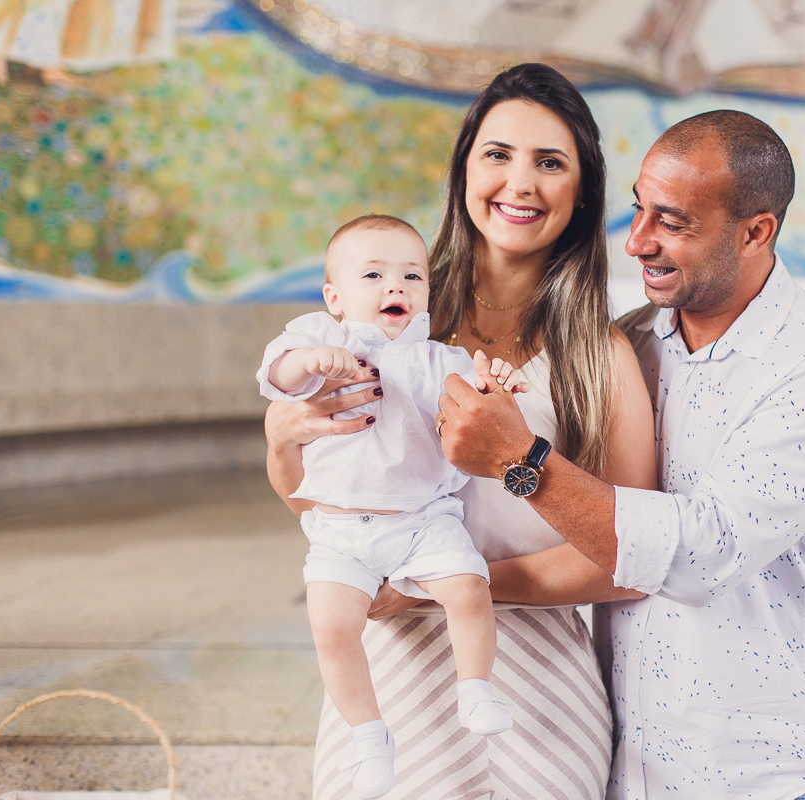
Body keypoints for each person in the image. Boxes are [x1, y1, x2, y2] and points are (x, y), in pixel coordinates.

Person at [436, 110, 805, 800]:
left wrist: (519, 461)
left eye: (672, 223)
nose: (638, 241)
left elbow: (703, 552)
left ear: (756, 231)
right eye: (638, 211)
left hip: (763, 776)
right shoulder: (631, 342)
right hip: (627, 770)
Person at [264, 63, 657, 800]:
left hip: (538, 675)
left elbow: (632, 555)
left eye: (551, 162)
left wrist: (449, 589)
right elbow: (314, 501)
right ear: (464, 168)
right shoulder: (385, 317)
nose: (521, 182)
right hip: (391, 668)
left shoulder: (600, 355)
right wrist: (283, 443)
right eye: (498, 154)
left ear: (582, 189)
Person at [258, 215, 529, 798]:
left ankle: (475, 686)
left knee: (468, 587)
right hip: (338, 527)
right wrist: (310, 364)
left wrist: (495, 384)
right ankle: (368, 736)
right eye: (374, 274)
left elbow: (477, 402)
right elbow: (275, 372)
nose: (395, 288)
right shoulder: (318, 338)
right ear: (335, 295)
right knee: (331, 627)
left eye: (412, 276)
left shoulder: (442, 359)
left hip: (422, 520)